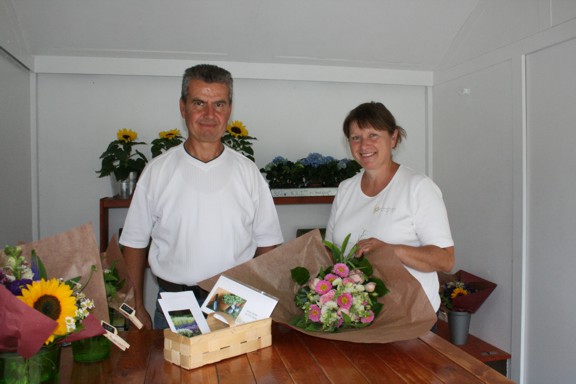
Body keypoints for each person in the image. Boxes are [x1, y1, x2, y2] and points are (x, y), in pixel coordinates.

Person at [119, 64, 284, 329]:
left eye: (219, 104)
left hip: (231, 300)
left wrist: (265, 305)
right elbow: (134, 243)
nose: (209, 114)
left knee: (235, 370)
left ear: (229, 110)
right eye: (199, 103)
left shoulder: (248, 172)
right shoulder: (157, 172)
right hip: (178, 301)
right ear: (183, 107)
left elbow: (268, 244)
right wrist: (137, 305)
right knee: (179, 369)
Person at [325, 101, 454, 313]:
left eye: (373, 135)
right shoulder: (346, 189)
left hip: (409, 317)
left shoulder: (418, 187)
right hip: (357, 315)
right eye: (356, 138)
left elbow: (445, 260)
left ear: (393, 138)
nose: (364, 145)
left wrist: (392, 250)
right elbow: (330, 253)